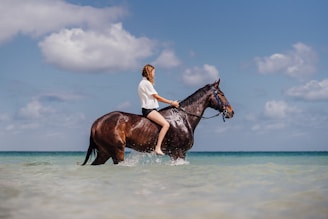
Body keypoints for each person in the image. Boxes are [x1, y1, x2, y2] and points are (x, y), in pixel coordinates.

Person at [138, 64, 179, 155]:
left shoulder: (143, 83)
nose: (154, 74)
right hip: (149, 110)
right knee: (166, 124)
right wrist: (171, 102)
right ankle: (158, 147)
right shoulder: (146, 84)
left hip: (151, 109)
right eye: (153, 72)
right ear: (149, 72)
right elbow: (157, 97)